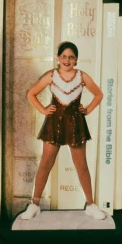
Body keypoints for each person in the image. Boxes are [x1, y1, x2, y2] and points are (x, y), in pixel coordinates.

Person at [26, 41, 103, 210]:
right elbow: (31, 94)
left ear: (76, 60)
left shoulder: (82, 76)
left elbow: (98, 94)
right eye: (63, 56)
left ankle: (91, 205)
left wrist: (87, 110)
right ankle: (34, 204)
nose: (67, 60)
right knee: (46, 163)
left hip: (76, 123)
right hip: (54, 123)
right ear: (58, 58)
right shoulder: (51, 75)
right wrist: (44, 110)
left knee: (81, 165)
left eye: (71, 57)